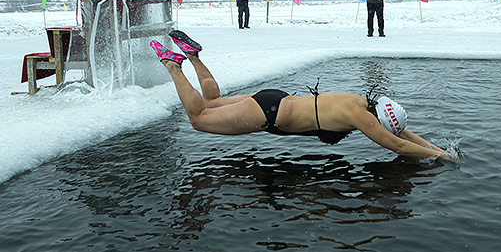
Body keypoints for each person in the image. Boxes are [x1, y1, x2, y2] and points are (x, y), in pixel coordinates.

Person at [149, 30, 457, 162]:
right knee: (199, 119)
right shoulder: (361, 118)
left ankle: (193, 56)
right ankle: (173, 65)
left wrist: (435, 146)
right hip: (269, 114)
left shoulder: (363, 102)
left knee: (213, 103)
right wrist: (441, 157)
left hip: (276, 98)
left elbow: (401, 132)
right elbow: (399, 145)